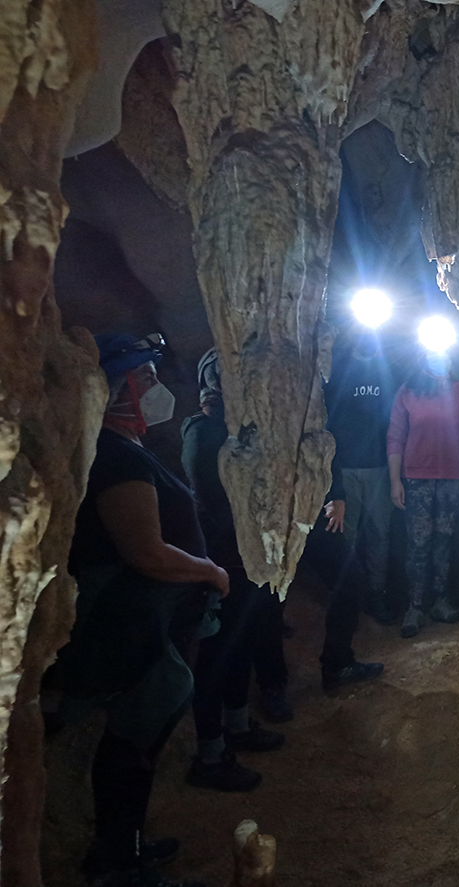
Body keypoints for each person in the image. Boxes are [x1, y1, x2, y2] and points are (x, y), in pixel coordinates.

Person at [59, 333, 226, 887]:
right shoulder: (114, 458)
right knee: (133, 735)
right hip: (129, 623)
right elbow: (145, 551)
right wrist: (209, 571)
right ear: (118, 390)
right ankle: (115, 862)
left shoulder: (124, 450)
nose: (156, 388)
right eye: (146, 378)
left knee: (143, 735)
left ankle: (126, 843)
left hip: (144, 619)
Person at [180, 349, 288, 793]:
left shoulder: (233, 432)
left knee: (241, 645)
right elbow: (212, 499)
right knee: (217, 655)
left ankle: (238, 726)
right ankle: (210, 752)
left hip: (248, 556)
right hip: (224, 559)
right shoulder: (203, 433)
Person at [388, 343, 459, 638]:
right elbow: (395, 437)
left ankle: (440, 600)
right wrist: (395, 481)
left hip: (453, 479)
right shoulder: (408, 392)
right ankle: (415, 605)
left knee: (444, 540)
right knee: (418, 543)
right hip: (417, 480)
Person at [318, 329, 389, 691]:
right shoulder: (340, 372)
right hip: (346, 468)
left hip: (378, 467)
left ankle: (374, 595)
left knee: (378, 535)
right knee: (346, 540)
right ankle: (346, 601)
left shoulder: (386, 370)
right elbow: (329, 425)